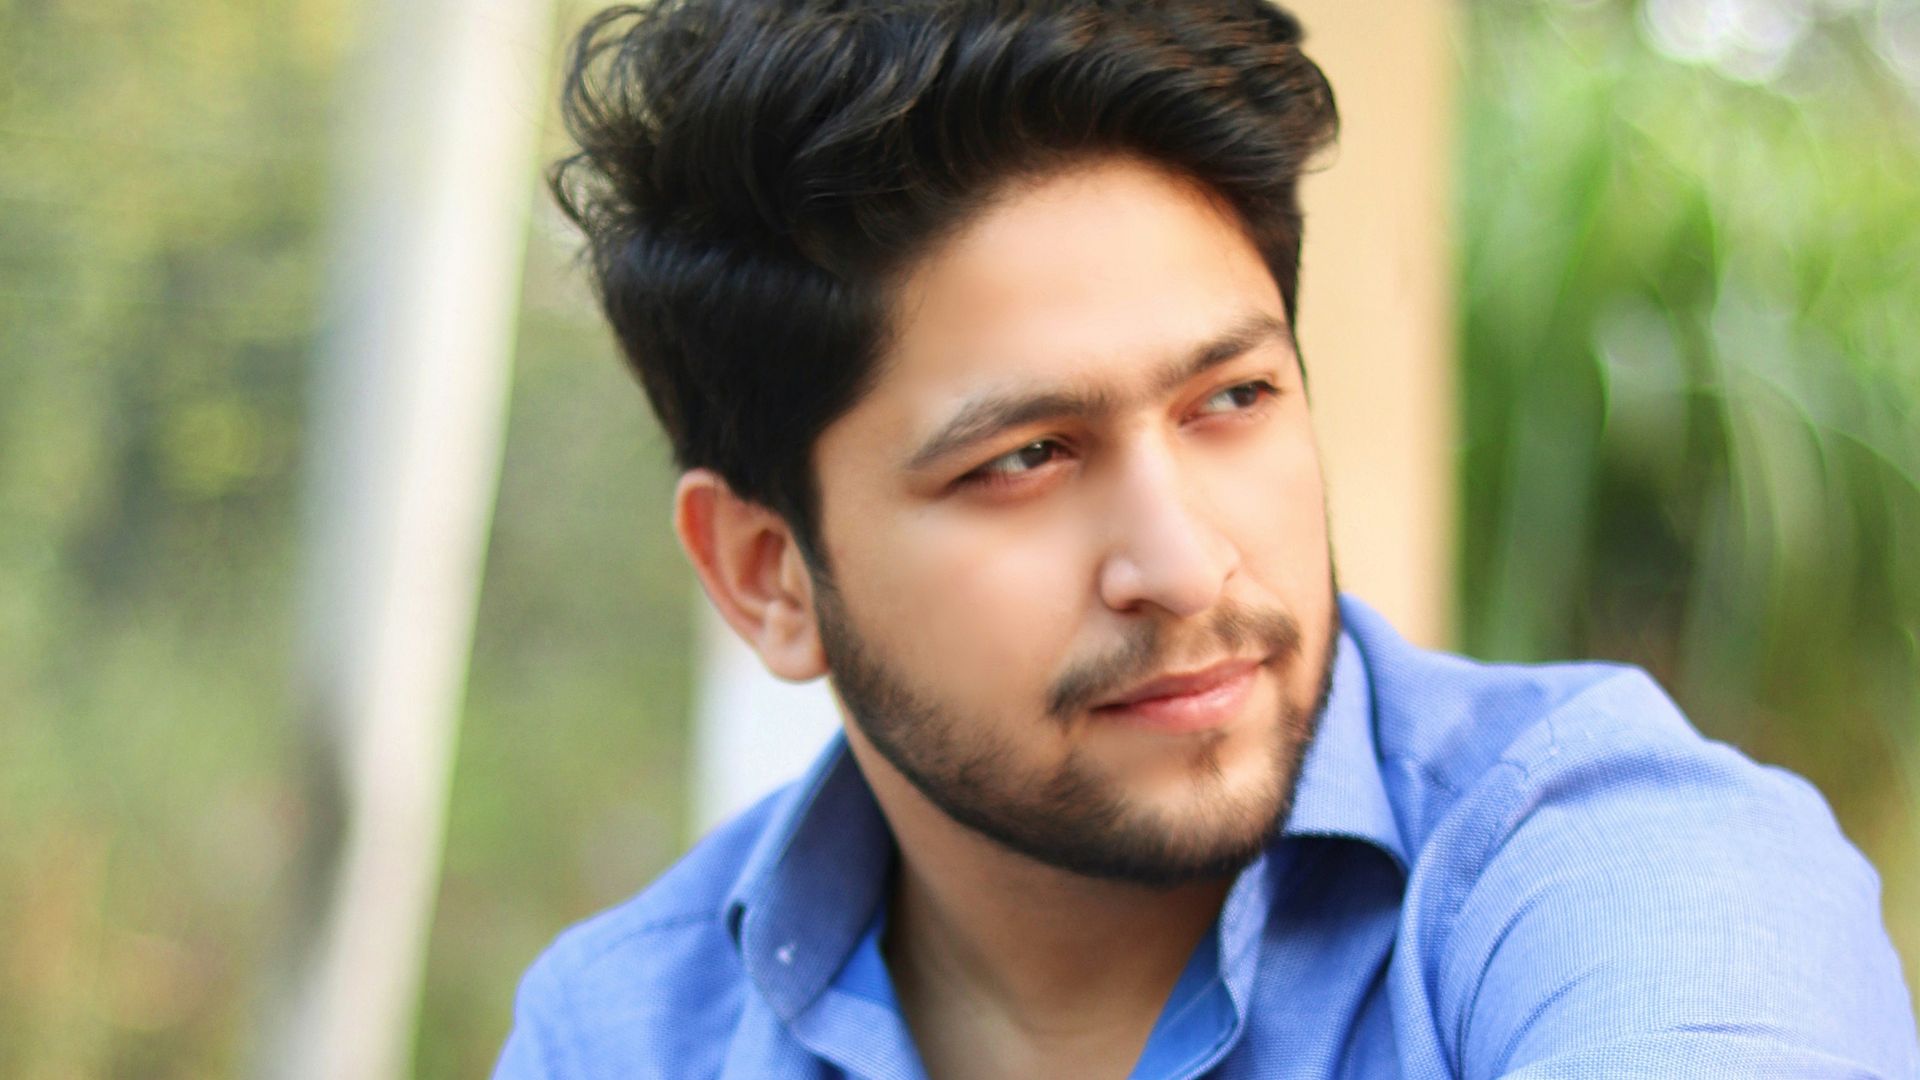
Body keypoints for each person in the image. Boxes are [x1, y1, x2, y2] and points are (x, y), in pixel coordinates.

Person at [493, 1, 1919, 1076]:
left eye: (1230, 398)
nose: (1182, 565)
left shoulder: (1627, 877)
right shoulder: (622, 1032)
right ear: (767, 575)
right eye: (1025, 460)